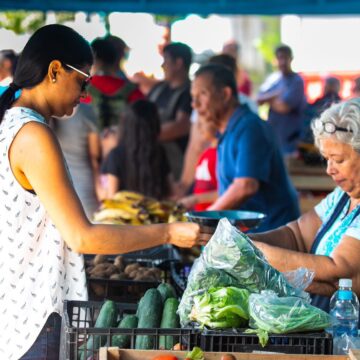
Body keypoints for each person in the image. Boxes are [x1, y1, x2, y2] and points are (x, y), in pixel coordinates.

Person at [0, 24, 206, 360]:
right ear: (54, 71)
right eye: (83, 82)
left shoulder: (10, 122)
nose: (85, 96)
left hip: (15, 310)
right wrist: (168, 232)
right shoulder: (32, 135)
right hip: (35, 316)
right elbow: (83, 237)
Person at [250, 99, 360, 311]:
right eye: (326, 159)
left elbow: (340, 272)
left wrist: (256, 252)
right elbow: (297, 235)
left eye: (338, 160)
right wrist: (245, 240)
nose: (329, 170)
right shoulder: (342, 197)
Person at [191, 63, 300, 232]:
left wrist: (203, 222)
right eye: (193, 96)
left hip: (272, 235)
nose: (195, 104)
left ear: (226, 94)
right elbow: (228, 188)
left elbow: (245, 186)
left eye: (203, 94)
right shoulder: (227, 132)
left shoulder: (250, 127)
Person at [101, 99, 172, 200]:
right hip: (156, 212)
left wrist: (94, 164)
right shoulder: (159, 151)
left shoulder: (116, 154)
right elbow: (171, 191)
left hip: (125, 213)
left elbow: (111, 196)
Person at [86, 37, 145, 158]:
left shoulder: (82, 89)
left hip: (88, 157)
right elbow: (143, 126)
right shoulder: (132, 91)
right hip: (124, 156)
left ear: (94, 59)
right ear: (116, 59)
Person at [148, 42, 193, 180]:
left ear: (178, 63)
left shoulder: (190, 92)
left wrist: (143, 135)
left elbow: (181, 126)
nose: (162, 66)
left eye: (165, 60)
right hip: (151, 159)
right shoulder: (158, 89)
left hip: (175, 164)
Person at [51, 103, 101, 218]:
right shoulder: (86, 110)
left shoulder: (49, 111)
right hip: (84, 181)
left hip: (57, 182)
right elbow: (95, 154)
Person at [257, 45, 306, 156]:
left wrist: (268, 99)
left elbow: (283, 107)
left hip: (290, 139)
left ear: (291, 59)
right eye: (280, 58)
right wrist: (275, 95)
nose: (283, 62)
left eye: (285, 58)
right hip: (274, 137)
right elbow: (258, 100)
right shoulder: (273, 80)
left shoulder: (297, 81)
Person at [179, 117, 218, 210]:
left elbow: (224, 192)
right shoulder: (205, 154)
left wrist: (195, 199)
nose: (199, 127)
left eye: (203, 123)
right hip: (199, 214)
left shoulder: (220, 155)